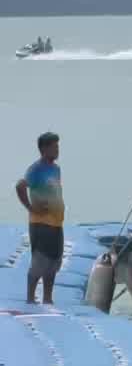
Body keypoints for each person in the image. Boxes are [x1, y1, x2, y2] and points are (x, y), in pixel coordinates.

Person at [15, 131, 64, 305]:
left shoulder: (56, 169)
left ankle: (48, 298)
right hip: (41, 224)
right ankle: (30, 298)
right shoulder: (36, 169)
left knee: (53, 262)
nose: (57, 149)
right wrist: (30, 207)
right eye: (54, 146)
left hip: (56, 223)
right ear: (44, 149)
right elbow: (20, 186)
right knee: (40, 261)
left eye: (58, 145)